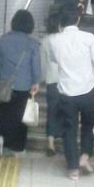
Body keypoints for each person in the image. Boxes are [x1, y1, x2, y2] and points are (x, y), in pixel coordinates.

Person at [48, 3, 94, 179]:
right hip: (88, 91)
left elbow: (55, 61)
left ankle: (73, 169)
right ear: (78, 19)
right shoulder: (88, 38)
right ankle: (85, 157)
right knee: (88, 125)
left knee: (69, 130)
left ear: (60, 22)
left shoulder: (53, 41)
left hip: (66, 93)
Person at [0, 9, 41, 157]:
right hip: (24, 86)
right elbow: (36, 66)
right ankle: (18, 148)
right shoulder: (32, 44)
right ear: (30, 25)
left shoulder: (3, 40)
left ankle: (0, 138)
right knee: (21, 118)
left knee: (3, 113)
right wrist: (36, 82)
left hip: (5, 85)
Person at [40, 11, 61, 156]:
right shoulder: (65, 40)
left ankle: (51, 144)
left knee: (52, 112)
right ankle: (66, 138)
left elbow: (42, 63)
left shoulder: (45, 41)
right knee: (67, 111)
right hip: (67, 81)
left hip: (51, 81)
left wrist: (41, 79)